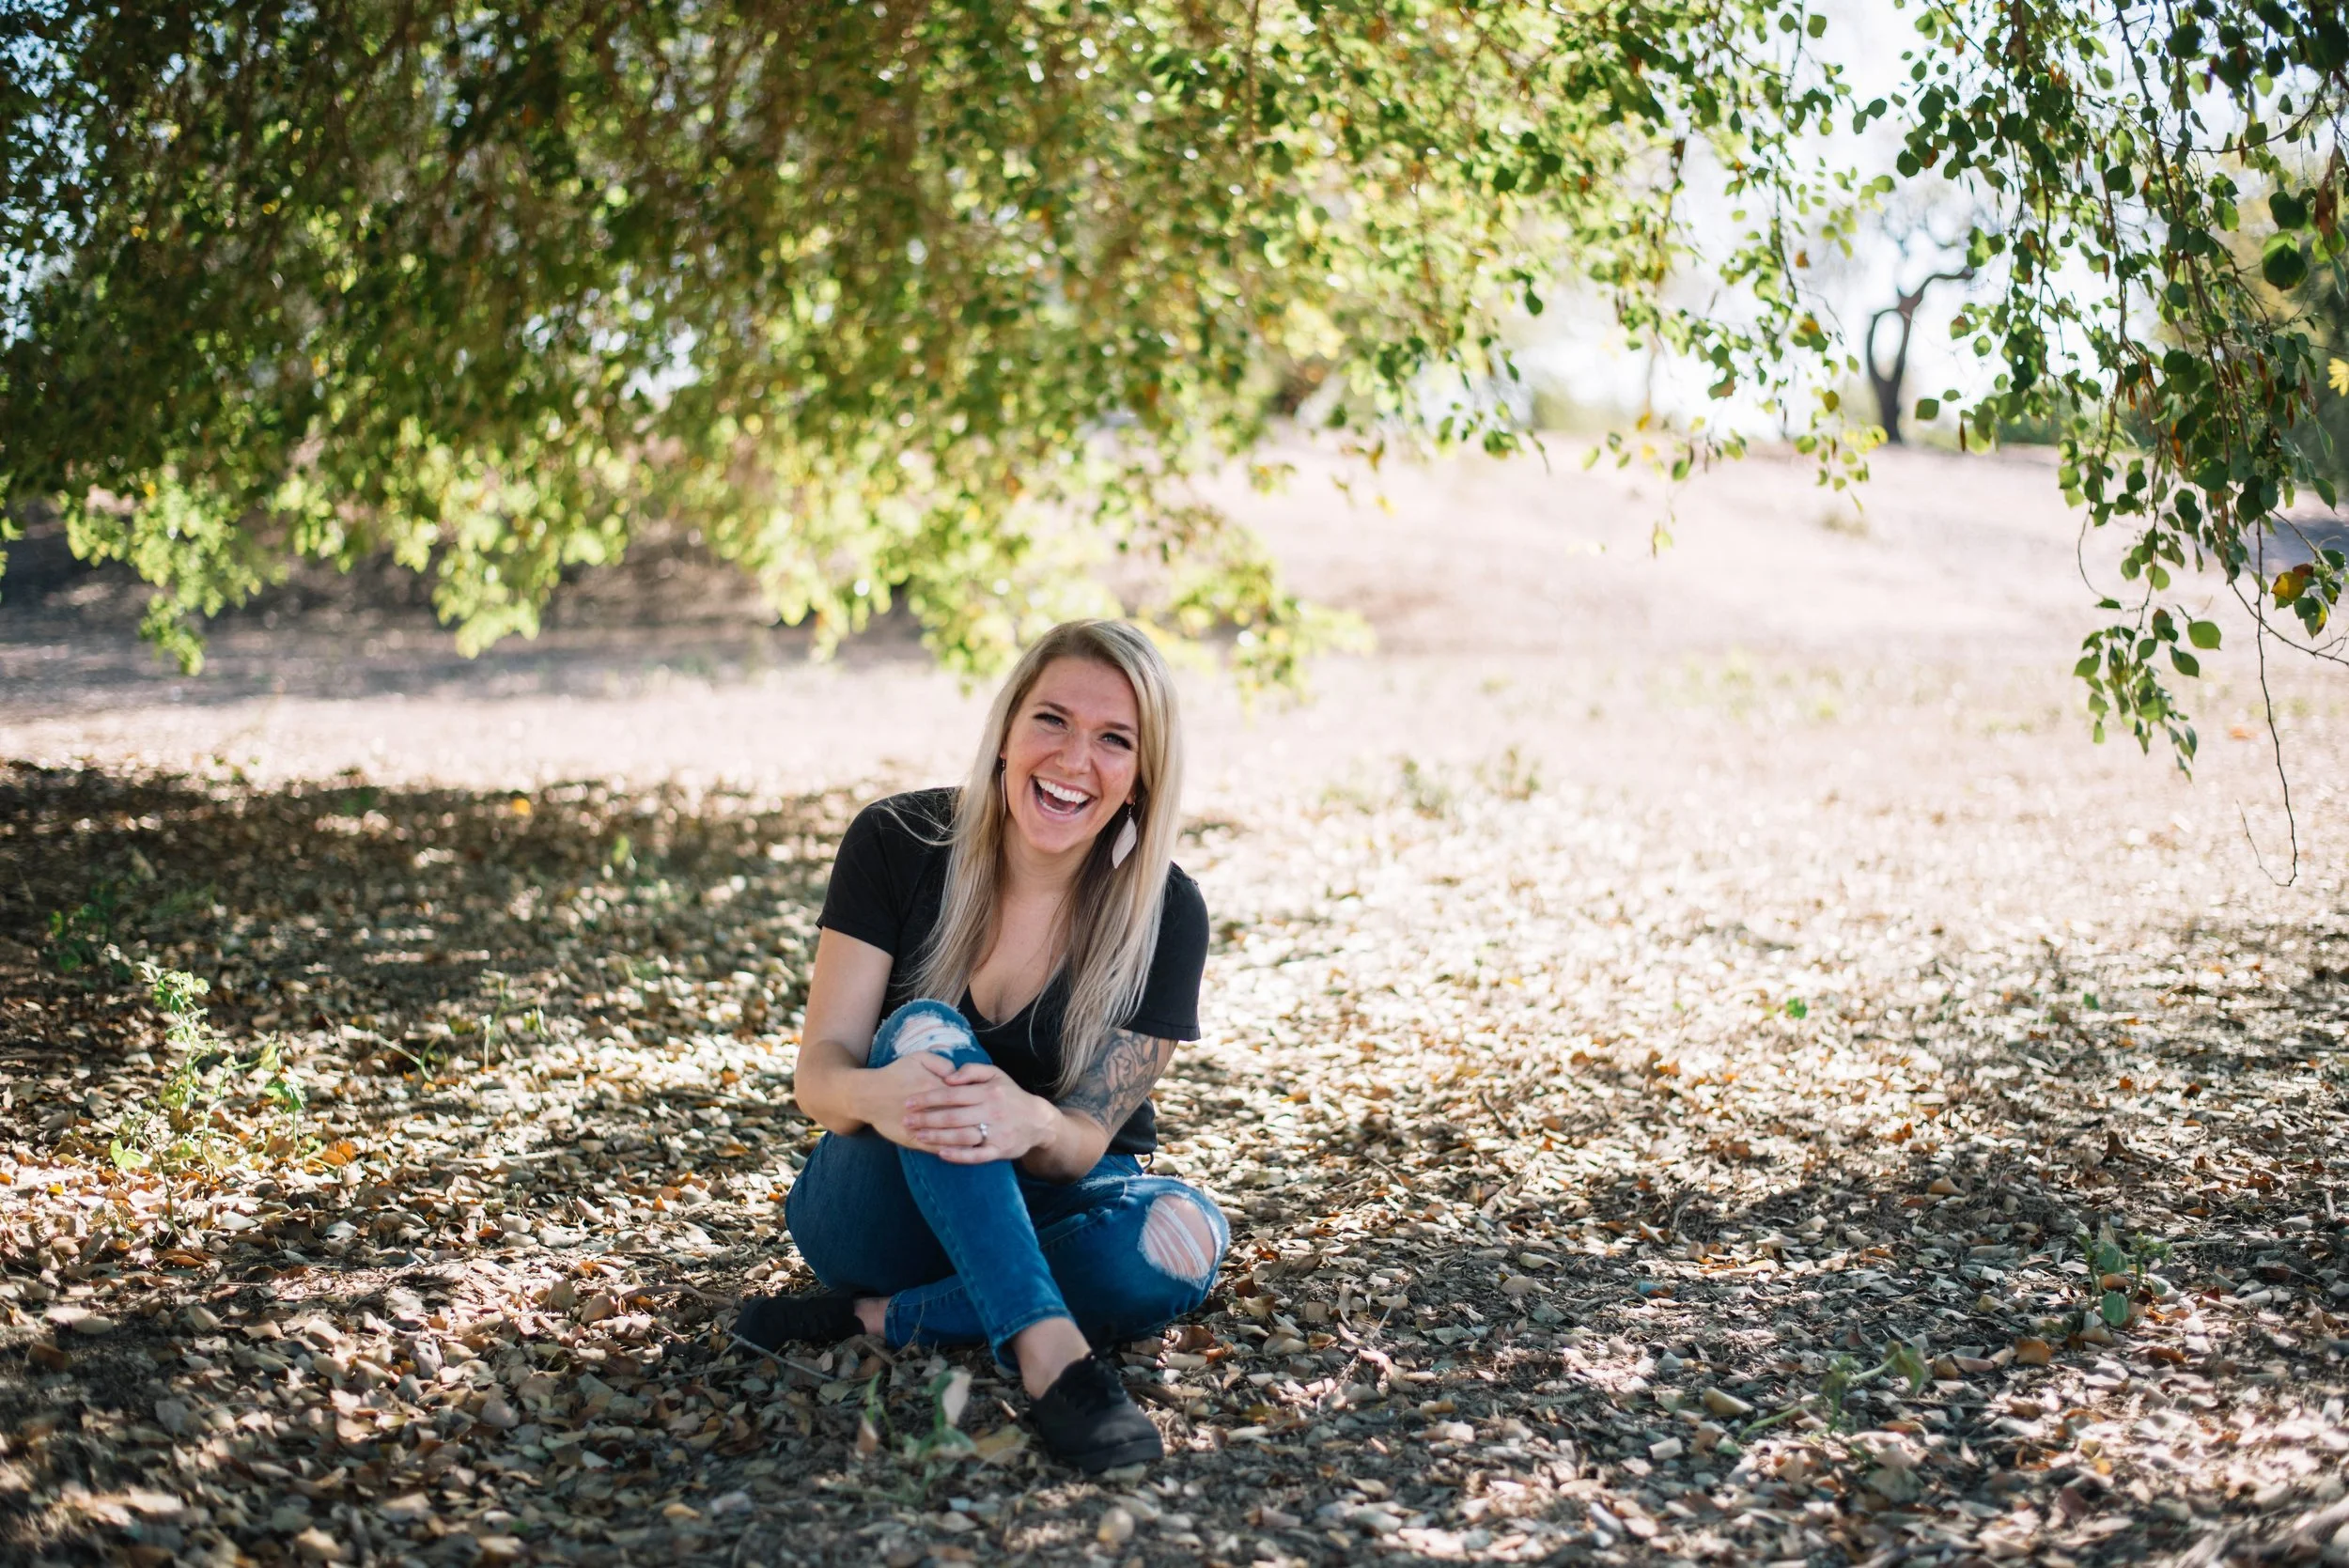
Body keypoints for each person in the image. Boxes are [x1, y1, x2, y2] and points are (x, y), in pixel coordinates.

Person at [735, 620, 1227, 1473]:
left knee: (1184, 1233)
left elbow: (1080, 1144)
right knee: (925, 1034)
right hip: (878, 1202)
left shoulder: (1164, 914)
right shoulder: (896, 842)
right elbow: (818, 1076)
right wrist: (876, 1095)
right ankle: (1052, 1356)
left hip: (1046, 1199)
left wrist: (1026, 1117)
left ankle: (881, 1319)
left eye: (1115, 739)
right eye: (1053, 720)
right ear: (1006, 729)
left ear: (1142, 775)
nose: (1075, 760)